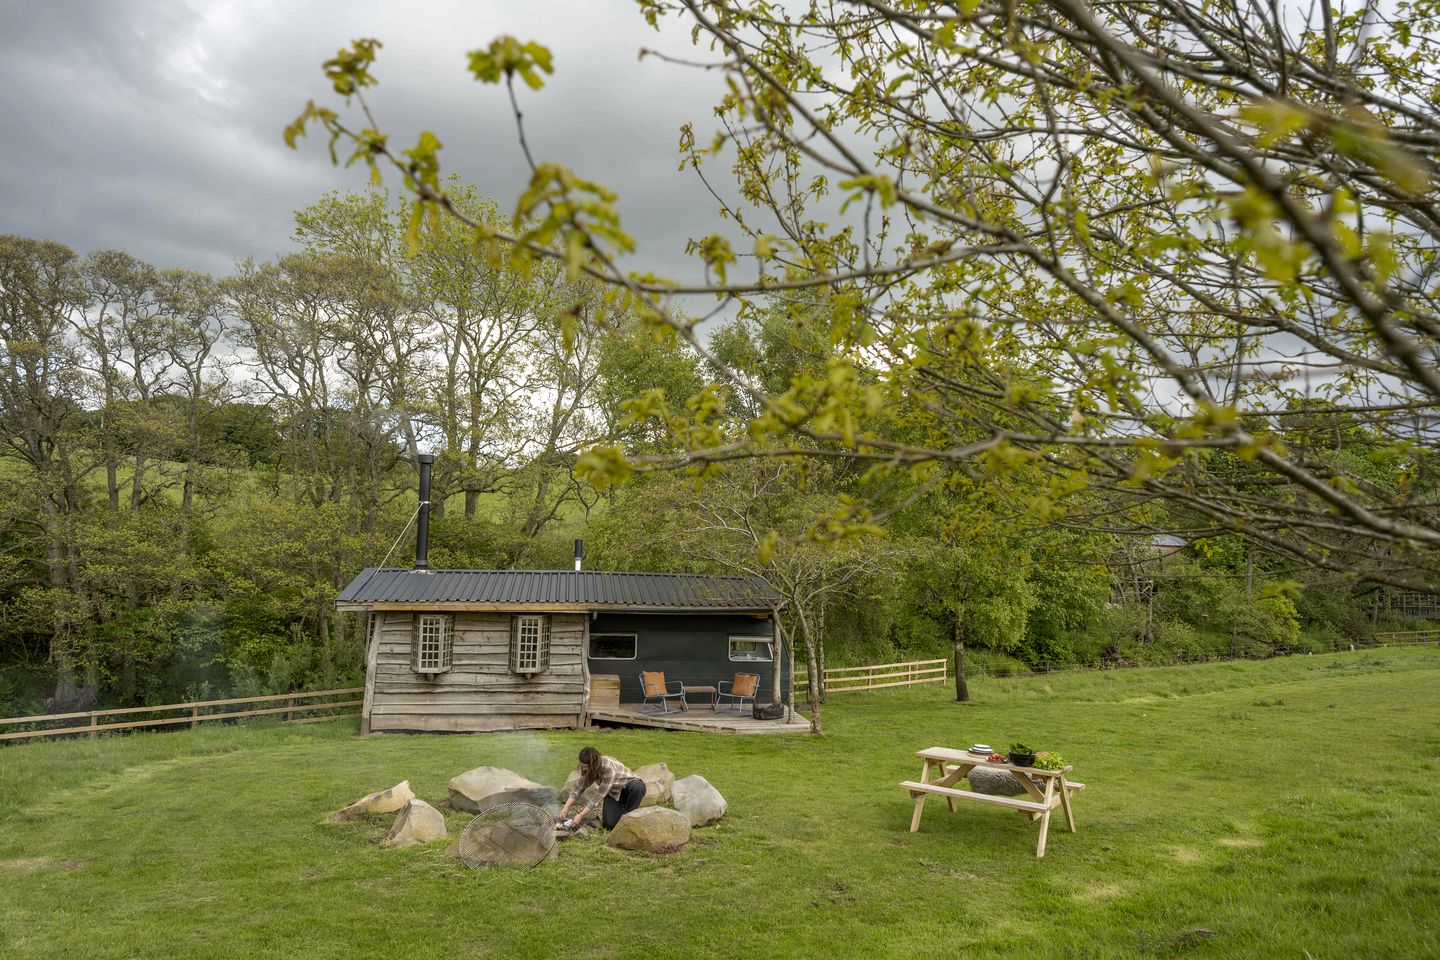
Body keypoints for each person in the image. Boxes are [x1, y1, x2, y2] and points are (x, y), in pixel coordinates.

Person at [558, 746, 645, 830]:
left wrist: (581, 815)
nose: (584, 769)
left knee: (637, 787)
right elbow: (578, 789)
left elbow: (597, 798)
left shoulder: (609, 770)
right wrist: (566, 807)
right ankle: (622, 812)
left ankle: (629, 816)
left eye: (586, 767)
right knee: (609, 825)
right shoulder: (587, 768)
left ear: (593, 765)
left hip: (629, 787)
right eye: (582, 766)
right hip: (613, 793)